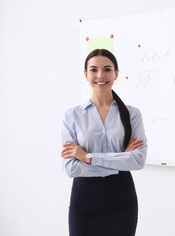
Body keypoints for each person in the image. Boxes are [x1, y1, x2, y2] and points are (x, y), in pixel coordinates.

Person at [61, 49, 147, 236]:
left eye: (107, 69)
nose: (100, 75)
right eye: (93, 70)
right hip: (84, 202)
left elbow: (138, 160)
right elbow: (71, 168)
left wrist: (88, 157)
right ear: (86, 74)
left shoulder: (132, 115)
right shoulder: (72, 116)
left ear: (116, 73)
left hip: (122, 202)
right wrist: (121, 160)